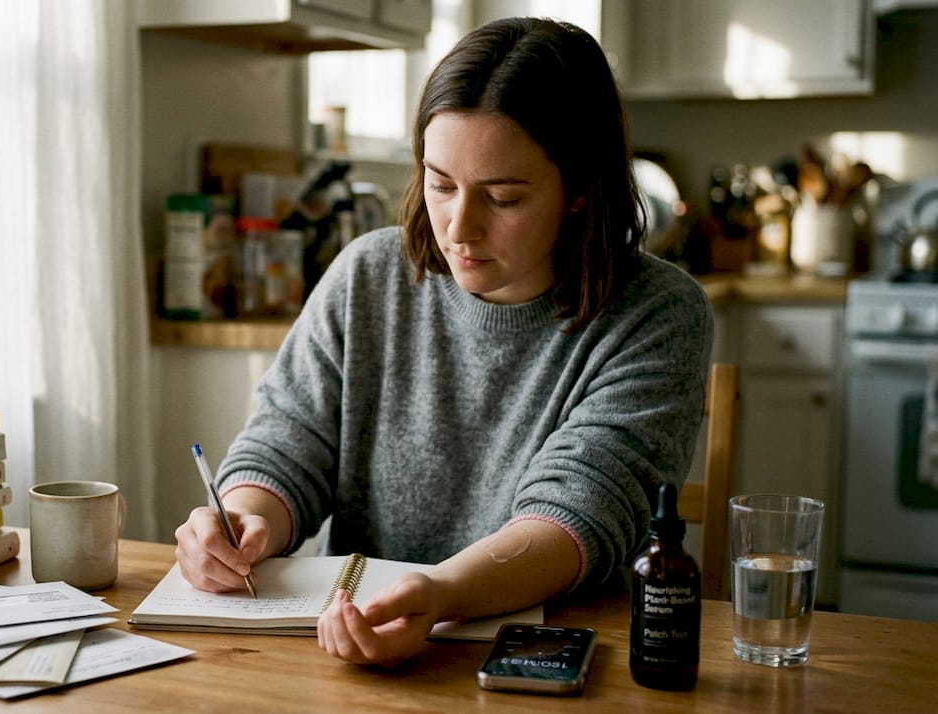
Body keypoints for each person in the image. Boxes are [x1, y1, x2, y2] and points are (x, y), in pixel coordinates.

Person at [174, 16, 712, 666]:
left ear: (579, 189)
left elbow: (581, 510)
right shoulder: (367, 274)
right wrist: (239, 522)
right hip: (349, 656)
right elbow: (288, 443)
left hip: (553, 663)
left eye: (504, 198)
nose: (460, 227)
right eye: (440, 184)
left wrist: (439, 592)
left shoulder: (658, 313)